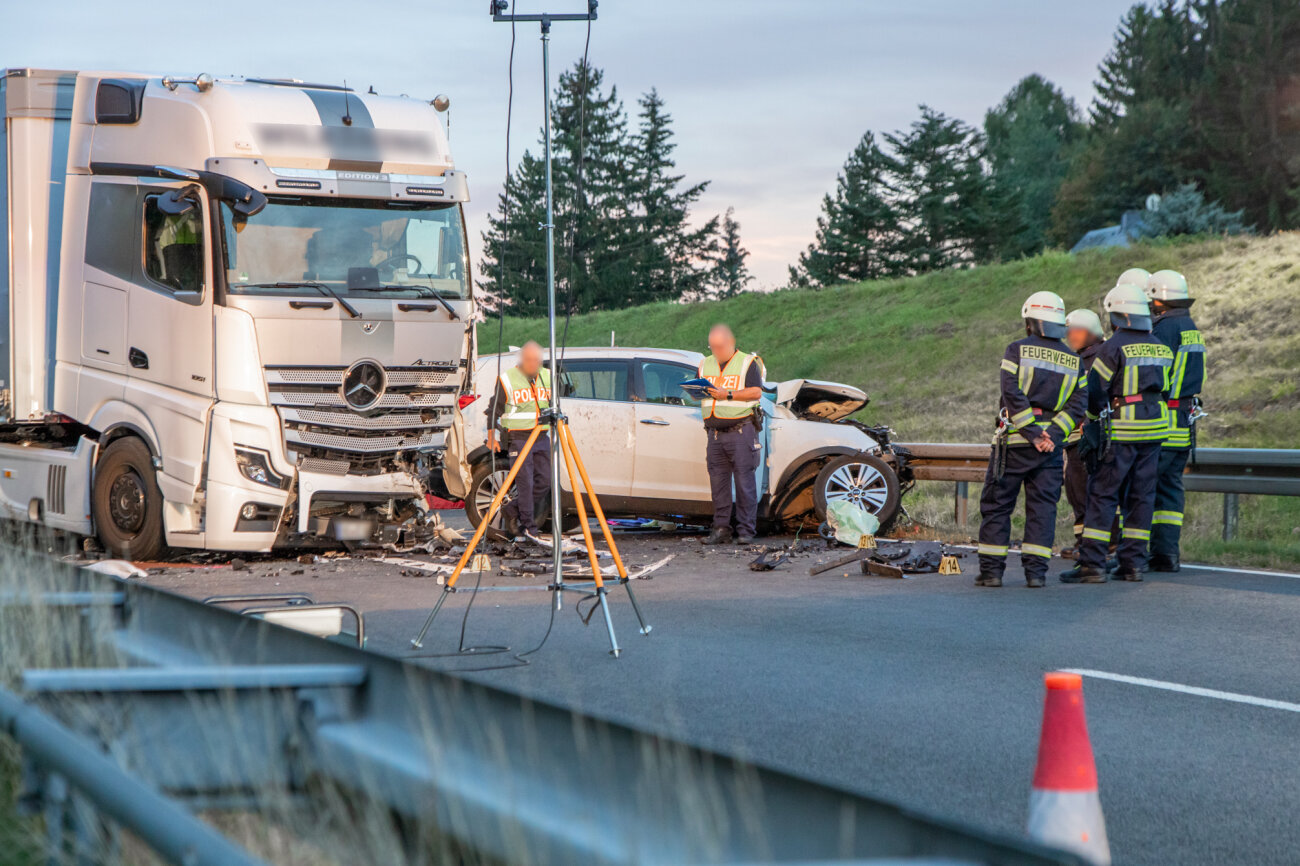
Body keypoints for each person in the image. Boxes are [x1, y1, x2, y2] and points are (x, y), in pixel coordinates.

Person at [1060, 284, 1172, 584]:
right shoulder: (1160, 345)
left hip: (1123, 430)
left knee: (1103, 494)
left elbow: (1096, 390)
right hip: (1156, 429)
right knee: (1141, 497)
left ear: (1120, 315)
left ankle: (1093, 565)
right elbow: (1168, 386)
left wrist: (1094, 421)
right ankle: (1132, 564)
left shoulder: (1113, 347)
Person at [976, 292, 1086, 589]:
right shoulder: (1075, 360)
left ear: (1031, 322)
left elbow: (1011, 394)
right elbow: (1078, 405)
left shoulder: (1017, 350)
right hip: (1050, 449)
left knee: (998, 505)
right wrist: (1053, 435)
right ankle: (1036, 574)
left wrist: (1033, 433)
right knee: (1043, 509)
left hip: (1015, 443)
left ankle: (991, 573)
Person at [1146, 269, 1205, 572]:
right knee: (1169, 491)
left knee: (1140, 488)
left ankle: (1132, 554)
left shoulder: (1164, 330)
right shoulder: (1191, 326)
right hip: (1182, 425)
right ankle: (1166, 556)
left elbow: (1153, 376)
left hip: (1159, 423)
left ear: (1159, 302)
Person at [698, 324, 766, 545]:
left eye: (719, 346)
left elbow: (756, 392)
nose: (715, 350)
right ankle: (721, 529)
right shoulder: (705, 363)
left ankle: (746, 531)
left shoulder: (747, 363)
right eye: (712, 346)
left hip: (741, 431)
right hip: (714, 434)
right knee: (718, 485)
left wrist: (726, 395)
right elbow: (699, 392)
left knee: (745, 483)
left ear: (731, 343)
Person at [486, 341, 553, 540]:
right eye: (530, 360)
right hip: (519, 437)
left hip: (541, 436)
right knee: (525, 484)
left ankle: (511, 509)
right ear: (522, 360)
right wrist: (491, 436)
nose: (534, 364)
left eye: (537, 360)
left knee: (545, 481)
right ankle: (529, 529)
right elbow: (493, 409)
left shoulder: (546, 376)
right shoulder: (508, 379)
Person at [1060, 308, 1105, 557]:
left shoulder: (1099, 357)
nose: (1070, 337)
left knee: (1087, 489)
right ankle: (1082, 542)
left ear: (1090, 331)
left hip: (1090, 437)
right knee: (1076, 490)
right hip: (1075, 438)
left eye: (1075, 331)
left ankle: (1095, 544)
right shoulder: (1077, 358)